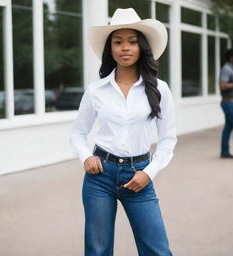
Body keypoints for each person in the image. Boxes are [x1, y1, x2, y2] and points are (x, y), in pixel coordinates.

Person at [70, 8, 177, 256]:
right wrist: (86, 156)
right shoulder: (96, 90)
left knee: (158, 250)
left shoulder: (159, 89)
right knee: (97, 251)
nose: (124, 48)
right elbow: (78, 132)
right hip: (100, 177)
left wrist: (149, 173)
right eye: (118, 42)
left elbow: (168, 138)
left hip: (139, 175)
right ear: (111, 49)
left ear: (141, 47)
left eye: (131, 41)